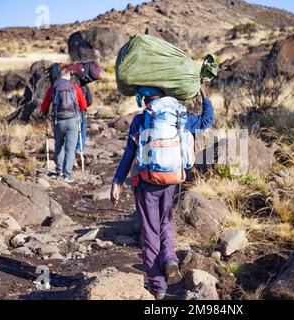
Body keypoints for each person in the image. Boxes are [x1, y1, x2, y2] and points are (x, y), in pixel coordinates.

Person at [110, 83, 214, 300]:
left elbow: (130, 152)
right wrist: (205, 96)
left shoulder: (142, 119)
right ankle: (170, 261)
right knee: (166, 223)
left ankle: (158, 287)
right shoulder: (178, 116)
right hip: (172, 180)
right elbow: (206, 121)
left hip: (147, 183)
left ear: (143, 99)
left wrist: (117, 181)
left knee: (149, 231)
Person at [41, 69, 88, 183]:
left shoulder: (54, 88)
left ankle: (59, 171)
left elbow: (44, 106)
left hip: (58, 122)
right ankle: (67, 175)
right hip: (72, 121)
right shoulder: (74, 87)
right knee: (70, 148)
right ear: (68, 77)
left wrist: (45, 113)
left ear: (59, 76)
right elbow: (84, 105)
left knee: (59, 145)